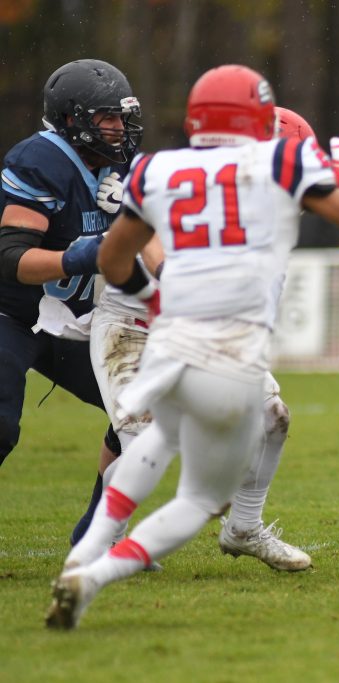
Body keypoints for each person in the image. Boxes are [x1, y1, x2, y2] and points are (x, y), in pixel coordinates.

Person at [45, 64, 339, 629]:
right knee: (169, 463)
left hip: (188, 329)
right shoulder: (277, 166)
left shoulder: (165, 168)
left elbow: (119, 255)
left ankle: (241, 528)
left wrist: (166, 300)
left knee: (266, 418)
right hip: (149, 328)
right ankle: (97, 555)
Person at [82, 106, 322, 572]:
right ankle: (104, 542)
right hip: (134, 322)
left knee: (272, 415)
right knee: (149, 444)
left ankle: (245, 529)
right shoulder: (190, 185)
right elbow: (141, 232)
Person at [0, 59, 141, 543]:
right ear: (71, 119)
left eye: (123, 117)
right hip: (11, 315)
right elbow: (12, 259)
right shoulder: (39, 161)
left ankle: (96, 535)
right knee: (0, 426)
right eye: (108, 117)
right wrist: (83, 254)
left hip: (73, 322)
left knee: (141, 413)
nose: (119, 128)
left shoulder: (120, 165)